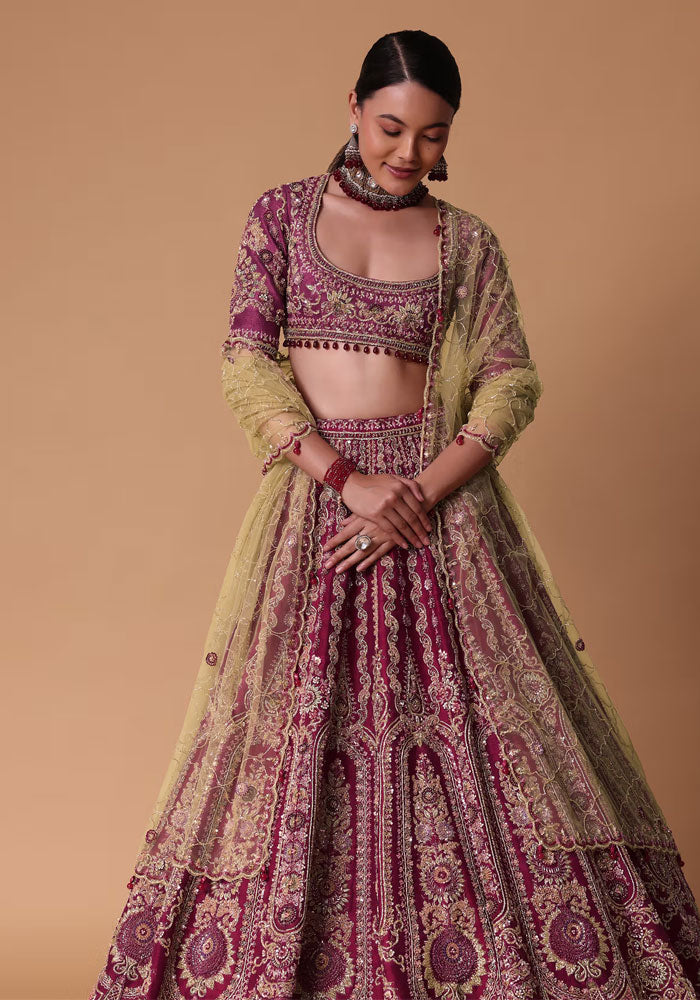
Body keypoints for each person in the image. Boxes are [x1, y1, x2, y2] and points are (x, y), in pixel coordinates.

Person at [89, 29, 700, 1000]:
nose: (408, 151)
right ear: (352, 107)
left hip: (440, 517)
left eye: (432, 134)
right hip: (320, 514)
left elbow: (509, 379)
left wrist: (417, 490)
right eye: (389, 127)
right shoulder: (280, 218)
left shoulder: (467, 244)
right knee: (290, 743)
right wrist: (347, 480)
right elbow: (245, 361)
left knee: (485, 744)